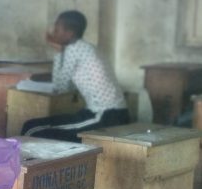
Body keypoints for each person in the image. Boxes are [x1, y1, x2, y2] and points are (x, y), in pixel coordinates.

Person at [20, 10, 129, 141]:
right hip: (104, 113)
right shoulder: (85, 47)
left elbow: (60, 87)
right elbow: (68, 84)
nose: (53, 32)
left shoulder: (74, 49)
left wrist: (59, 51)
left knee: (32, 130)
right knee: (31, 126)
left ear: (69, 33)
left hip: (106, 116)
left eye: (57, 28)